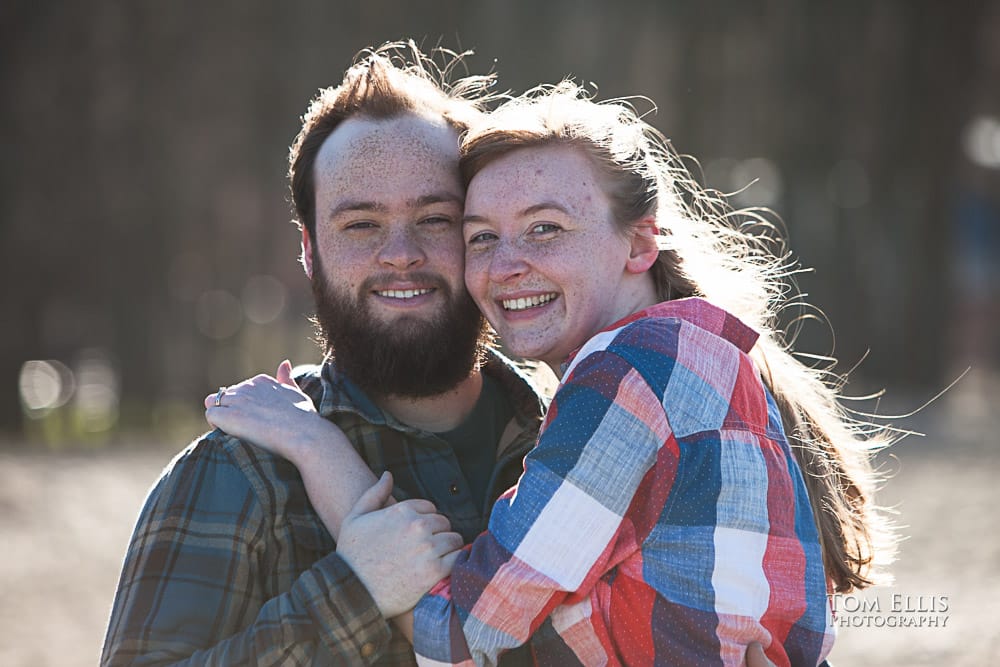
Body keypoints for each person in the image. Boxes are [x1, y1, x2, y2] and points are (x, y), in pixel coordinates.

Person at [217, 82, 895, 666]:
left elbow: (454, 635)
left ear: (639, 241)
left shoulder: (631, 376)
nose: (506, 264)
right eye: (480, 236)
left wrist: (314, 442)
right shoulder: (708, 361)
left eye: (545, 229)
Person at [101, 42, 548, 666]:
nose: (400, 254)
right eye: (361, 225)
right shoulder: (239, 473)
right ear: (309, 251)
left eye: (436, 219)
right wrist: (355, 595)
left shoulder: (577, 436)